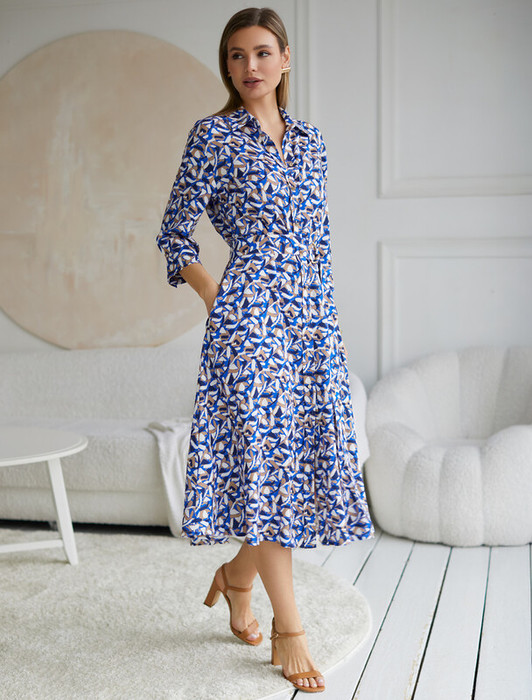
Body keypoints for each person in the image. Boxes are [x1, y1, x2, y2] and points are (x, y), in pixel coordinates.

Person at [156, 6, 374, 693]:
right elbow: (174, 234)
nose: (248, 67)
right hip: (249, 322)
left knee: (290, 471)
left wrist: (324, 327)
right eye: (235, 56)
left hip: (310, 320)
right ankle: (291, 629)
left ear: (284, 59)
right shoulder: (213, 136)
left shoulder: (311, 142)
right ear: (227, 67)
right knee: (269, 467)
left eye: (260, 53)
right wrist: (216, 294)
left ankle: (236, 577)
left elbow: (316, 240)